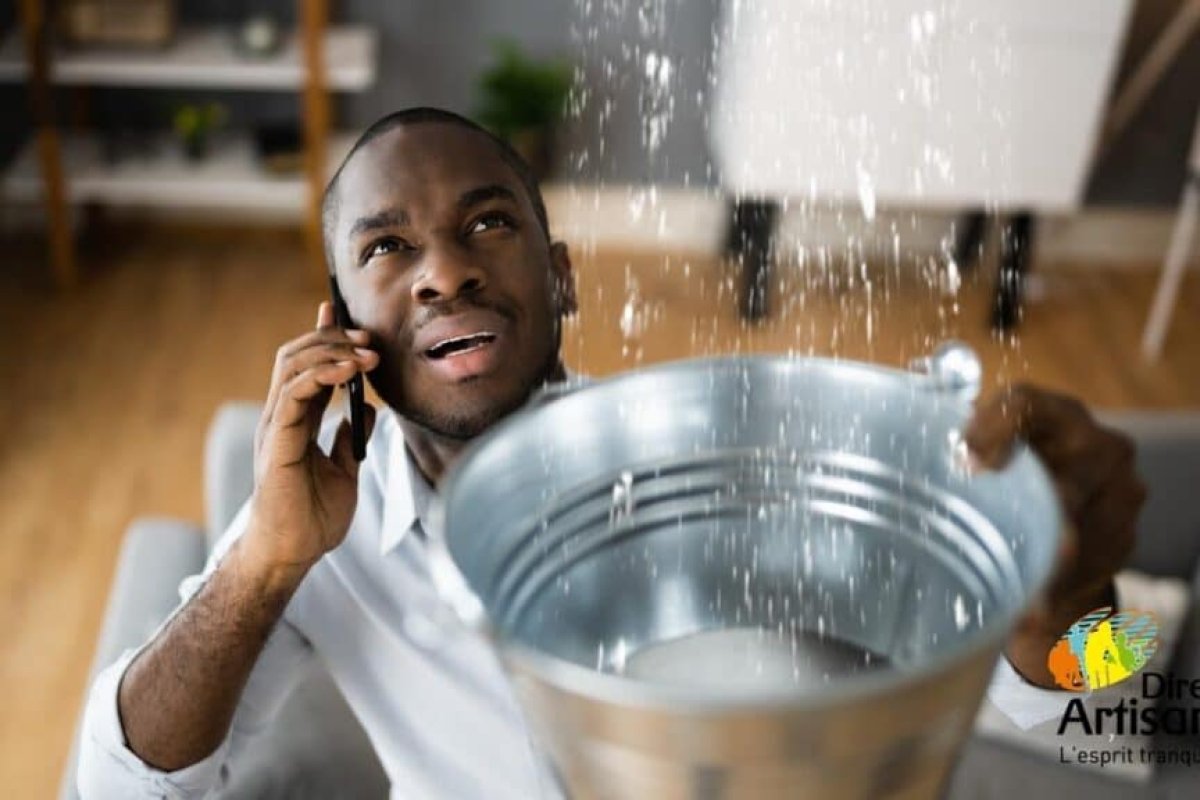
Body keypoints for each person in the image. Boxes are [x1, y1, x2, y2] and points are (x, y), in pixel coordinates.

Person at [77, 107, 1145, 799]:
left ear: (566, 276)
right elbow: (118, 784)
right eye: (387, 246)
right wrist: (264, 558)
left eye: (488, 223)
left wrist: (1077, 587)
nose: (443, 271)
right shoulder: (314, 536)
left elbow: (1106, 713)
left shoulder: (720, 462)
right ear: (343, 318)